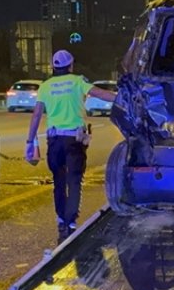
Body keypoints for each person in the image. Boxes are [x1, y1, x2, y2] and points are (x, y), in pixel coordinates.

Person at [25, 50, 117, 242]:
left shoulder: (45, 86)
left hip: (55, 140)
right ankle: (71, 220)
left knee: (58, 180)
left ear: (54, 67)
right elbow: (100, 94)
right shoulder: (77, 82)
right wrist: (124, 97)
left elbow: (36, 115)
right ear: (71, 65)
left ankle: (61, 219)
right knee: (74, 181)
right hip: (74, 141)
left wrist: (30, 141)